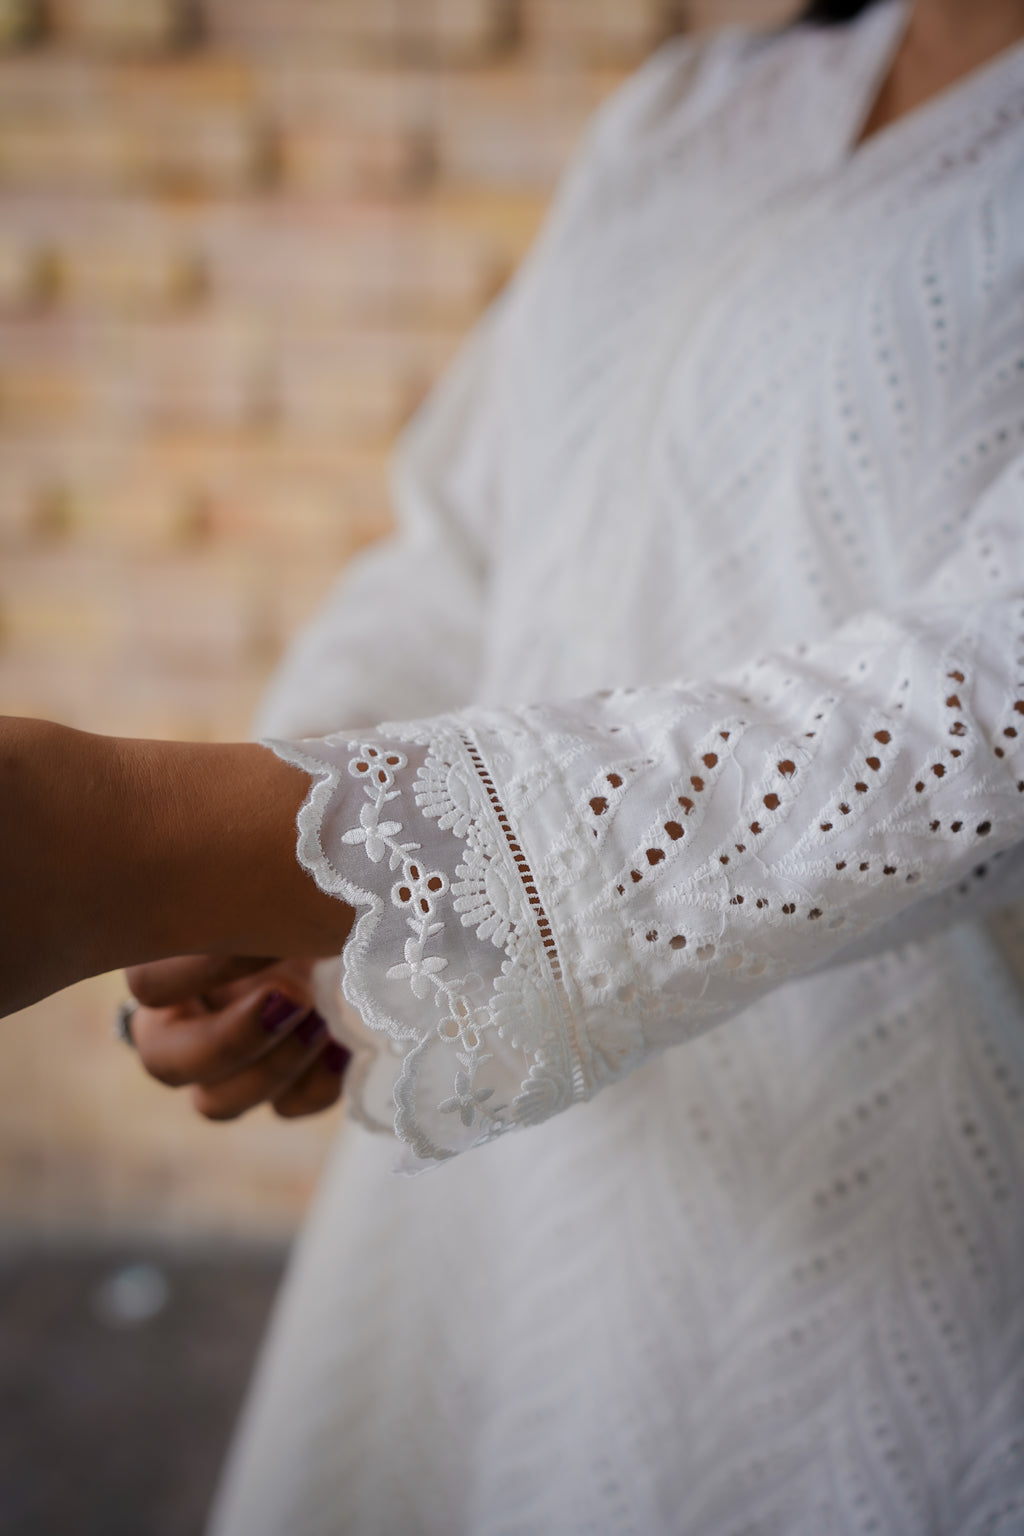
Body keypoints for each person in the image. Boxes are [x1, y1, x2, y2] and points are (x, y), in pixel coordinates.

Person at [2, 0, 1024, 1527]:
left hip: (874, 1258)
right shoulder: (698, 107)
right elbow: (462, 550)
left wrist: (164, 842)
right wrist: (254, 916)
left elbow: (985, 707)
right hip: (490, 1195)